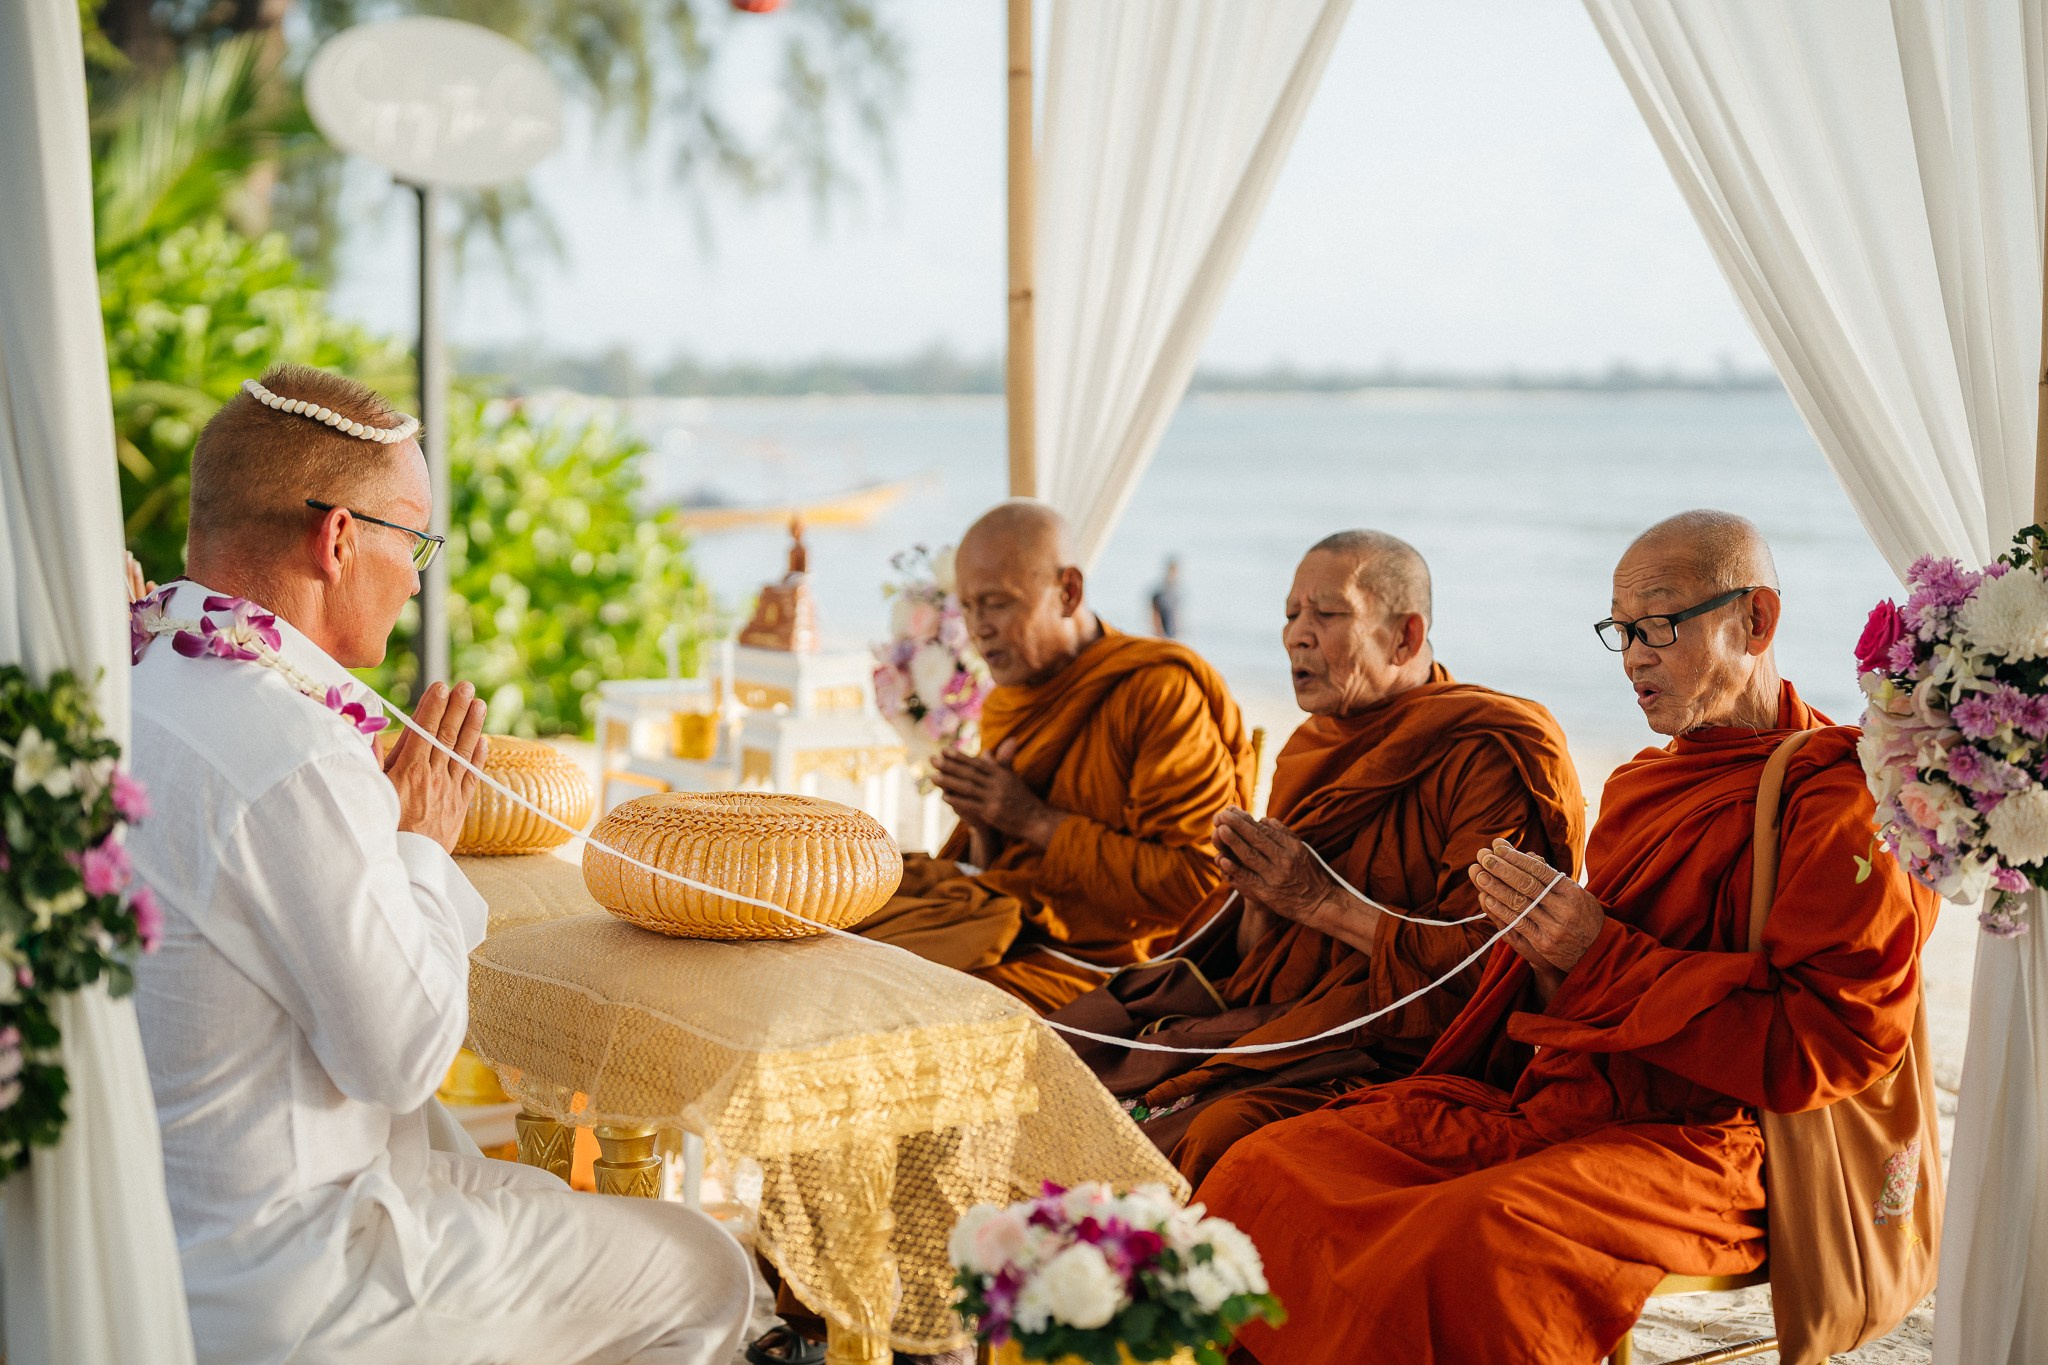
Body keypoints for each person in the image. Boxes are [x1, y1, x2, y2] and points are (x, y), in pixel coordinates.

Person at [1194, 510, 1939, 1365]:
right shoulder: (1643, 783)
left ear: (1755, 620)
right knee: (1271, 1165)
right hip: (1567, 1103)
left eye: (1656, 626)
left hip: (1715, 1145)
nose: (1632, 658)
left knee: (1466, 1240)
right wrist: (1540, 951)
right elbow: (1572, 998)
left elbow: (1831, 1047)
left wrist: (1594, 954)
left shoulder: (1842, 804)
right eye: (1619, 631)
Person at [128, 365, 752, 1365]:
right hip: (288, 1268)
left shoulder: (135, 675)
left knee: (539, 1197)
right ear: (337, 540)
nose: (418, 577)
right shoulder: (289, 749)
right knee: (707, 1270)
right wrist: (417, 839)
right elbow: (406, 1057)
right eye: (411, 541)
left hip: (156, 1223)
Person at [1049, 531, 1584, 1183]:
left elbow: (1483, 972)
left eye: (1325, 615)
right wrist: (1257, 898)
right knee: (1065, 1048)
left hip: (1400, 1051)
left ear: (1405, 637)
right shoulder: (1314, 745)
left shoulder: (1484, 753)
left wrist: (1319, 901)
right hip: (1291, 1022)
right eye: (1289, 614)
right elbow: (1260, 961)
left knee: (1214, 1131)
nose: (1296, 635)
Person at [853, 500, 1253, 1013]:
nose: (979, 628)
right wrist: (987, 827)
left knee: (887, 1000)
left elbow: (1197, 886)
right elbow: (1007, 874)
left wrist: (1033, 819)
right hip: (1010, 929)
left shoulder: (1158, 691)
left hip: (1112, 966)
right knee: (831, 936)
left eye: (997, 603)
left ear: (1068, 592)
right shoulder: (1007, 698)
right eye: (969, 607)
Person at [1149, 555, 1182, 638]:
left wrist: (1179, 631)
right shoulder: (1160, 593)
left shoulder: (1175, 593)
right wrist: (1158, 632)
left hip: (1173, 634)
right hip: (1161, 635)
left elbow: (1176, 614)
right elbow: (1155, 614)